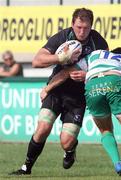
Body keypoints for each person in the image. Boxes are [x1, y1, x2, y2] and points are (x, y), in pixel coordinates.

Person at [10, 8, 108, 175]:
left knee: (66, 141)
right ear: (72, 24)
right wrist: (60, 58)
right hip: (56, 89)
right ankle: (26, 168)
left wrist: (87, 75)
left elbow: (104, 71)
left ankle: (70, 150)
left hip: (78, 97)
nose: (82, 32)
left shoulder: (98, 43)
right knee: (42, 128)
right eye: (78, 27)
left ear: (91, 26)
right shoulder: (63, 37)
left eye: (86, 28)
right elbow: (37, 61)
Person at [40, 47, 121, 176]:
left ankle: (118, 164)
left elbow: (65, 72)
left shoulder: (94, 54)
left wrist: (47, 88)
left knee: (105, 130)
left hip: (92, 85)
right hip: (114, 80)